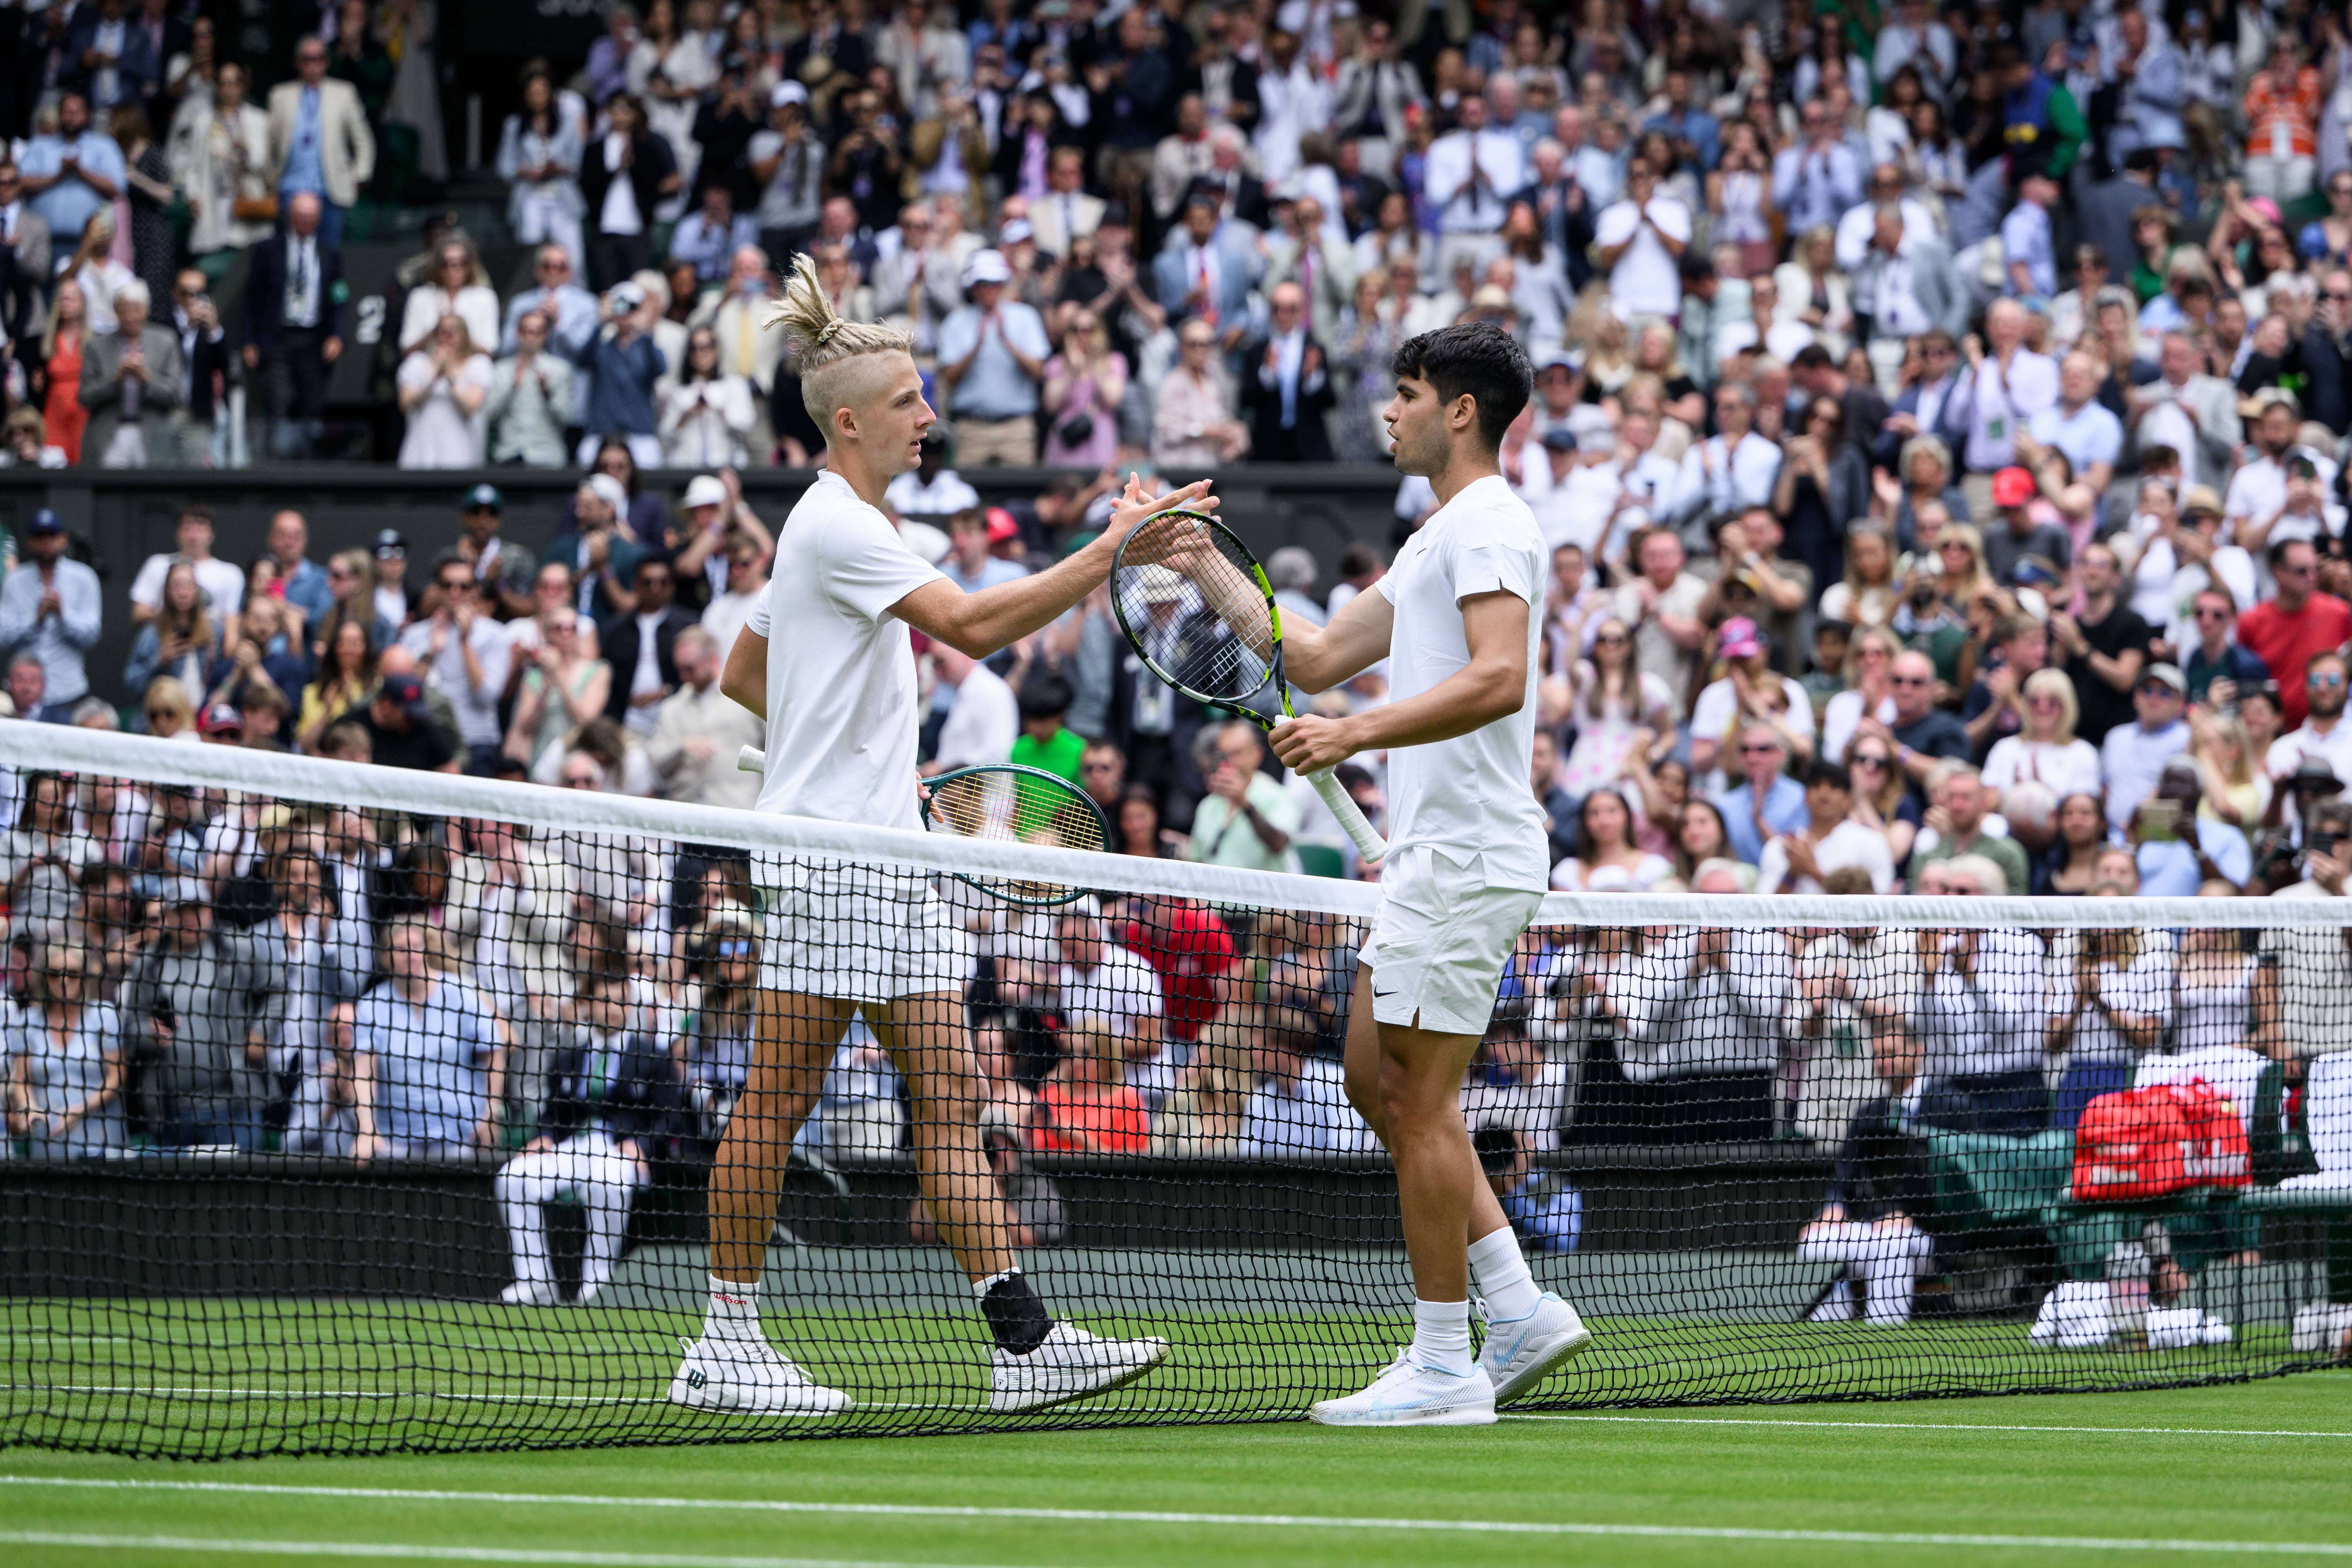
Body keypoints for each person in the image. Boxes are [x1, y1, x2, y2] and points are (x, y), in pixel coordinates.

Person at [670, 252, 1183, 1418]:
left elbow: (749, 668)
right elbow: (972, 625)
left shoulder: (837, 524)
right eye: (907, 401)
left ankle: (1020, 1342)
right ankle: (724, 1341)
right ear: (847, 421)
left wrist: (826, 753)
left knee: (947, 1096)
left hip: (869, 849)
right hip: (838, 860)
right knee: (777, 1100)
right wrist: (1116, 552)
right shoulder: (842, 528)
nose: (929, 416)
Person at [1245, 321, 1586, 1426]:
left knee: (1419, 1100)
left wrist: (1355, 737)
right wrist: (1196, 554)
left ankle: (1443, 1367)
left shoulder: (1489, 520)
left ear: (1458, 410)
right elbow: (1311, 657)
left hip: (1465, 854)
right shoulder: (1437, 535)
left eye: (1403, 394)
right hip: (1428, 860)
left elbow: (1495, 679)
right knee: (1370, 1080)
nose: (1385, 413)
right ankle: (1517, 1304)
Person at [494, 966, 678, 1305]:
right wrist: (544, 1136)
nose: (613, 1009)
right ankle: (536, 1282)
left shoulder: (654, 1057)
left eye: (621, 1002)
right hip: (573, 1149)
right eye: (605, 1001)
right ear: (587, 1004)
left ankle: (596, 1285)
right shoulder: (568, 1056)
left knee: (606, 1180)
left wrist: (643, 1145)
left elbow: (670, 1117)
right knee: (512, 1177)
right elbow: (553, 1112)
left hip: (620, 1155)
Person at [239, 191, 344, 460]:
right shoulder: (267, 250)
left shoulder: (329, 253)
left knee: (312, 403)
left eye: (311, 217)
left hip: (313, 338)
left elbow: (338, 298)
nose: (305, 222)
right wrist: (249, 341)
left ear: (319, 219)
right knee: (278, 401)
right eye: (300, 216)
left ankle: (308, 463)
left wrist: (336, 335)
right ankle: (277, 461)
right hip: (277, 337)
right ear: (290, 217)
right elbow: (252, 299)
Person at [265, 35, 374, 245]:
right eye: (307, 59)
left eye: (319, 58)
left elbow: (364, 142)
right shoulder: (280, 95)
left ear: (327, 62)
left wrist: (359, 177)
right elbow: (269, 144)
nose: (313, 64)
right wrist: (270, 179)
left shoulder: (344, 93)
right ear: (298, 62)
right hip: (291, 187)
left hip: (330, 190)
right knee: (292, 254)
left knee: (329, 254)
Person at [0, 511, 101, 719]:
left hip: (68, 692)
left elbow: (92, 634)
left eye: (52, 536)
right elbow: (3, 636)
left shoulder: (84, 577)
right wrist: (34, 621)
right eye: (39, 537)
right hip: (23, 699)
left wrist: (63, 616)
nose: (46, 542)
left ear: (63, 539)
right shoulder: (14, 581)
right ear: (29, 542)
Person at [77, 277, 180, 468]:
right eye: (124, 309)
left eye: (136, 309)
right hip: (110, 433)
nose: (130, 316)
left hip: (152, 434)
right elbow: (84, 397)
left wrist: (146, 378)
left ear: (147, 310)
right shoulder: (97, 346)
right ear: (116, 311)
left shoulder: (166, 342)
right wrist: (116, 380)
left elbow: (175, 395)